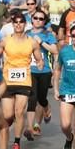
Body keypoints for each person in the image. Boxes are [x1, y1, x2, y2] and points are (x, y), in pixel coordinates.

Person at [0, 11, 43, 149]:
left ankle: (16, 141)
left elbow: (39, 58)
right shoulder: (6, 40)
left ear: (25, 24)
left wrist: (40, 64)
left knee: (20, 112)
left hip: (24, 80)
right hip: (8, 80)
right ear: (12, 24)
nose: (18, 25)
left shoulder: (31, 41)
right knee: (8, 115)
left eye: (21, 22)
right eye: (16, 22)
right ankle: (6, 129)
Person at [25, 10, 58, 138]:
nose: (38, 20)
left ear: (44, 21)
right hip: (30, 70)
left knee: (41, 98)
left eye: (41, 18)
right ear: (31, 19)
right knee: (32, 98)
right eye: (36, 18)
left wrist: (41, 42)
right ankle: (32, 127)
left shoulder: (48, 34)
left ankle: (46, 106)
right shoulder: (26, 34)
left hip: (44, 70)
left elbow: (55, 50)